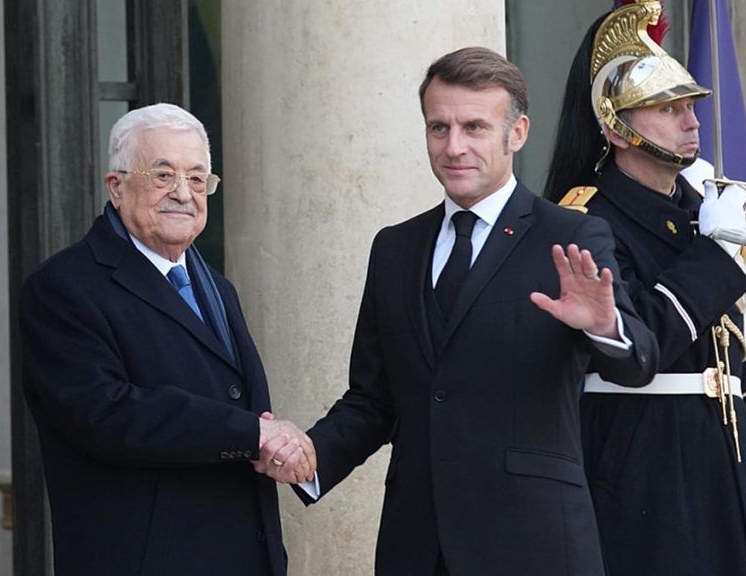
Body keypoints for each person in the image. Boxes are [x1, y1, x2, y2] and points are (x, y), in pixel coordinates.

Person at [267, 46, 659, 576]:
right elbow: (374, 399)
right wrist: (311, 455)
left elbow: (638, 362)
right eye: (439, 128)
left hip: (534, 545)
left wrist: (604, 326)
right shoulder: (395, 248)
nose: (454, 147)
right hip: (416, 545)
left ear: (516, 134)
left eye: (474, 127)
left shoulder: (570, 235)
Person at [20, 103, 314, 576]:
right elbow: (105, 413)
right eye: (162, 176)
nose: (183, 193)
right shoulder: (64, 287)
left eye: (197, 179)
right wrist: (251, 434)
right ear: (116, 186)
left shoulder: (217, 287)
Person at [543, 2, 746, 575]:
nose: (691, 122)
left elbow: (731, 351)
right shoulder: (585, 222)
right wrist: (713, 257)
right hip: (641, 468)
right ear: (615, 127)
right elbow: (642, 341)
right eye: (667, 109)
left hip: (721, 467)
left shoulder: (701, 212)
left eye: (690, 106)